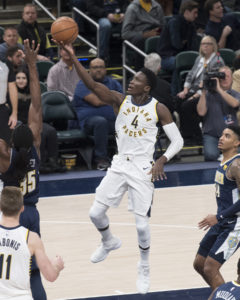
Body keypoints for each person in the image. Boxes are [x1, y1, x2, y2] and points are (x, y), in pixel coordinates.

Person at [54, 41, 183, 294]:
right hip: (120, 163)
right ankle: (109, 240)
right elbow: (92, 85)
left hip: (143, 168)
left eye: (135, 80)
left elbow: (177, 141)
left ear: (146, 87)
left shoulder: (159, 108)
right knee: (94, 214)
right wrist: (75, 58)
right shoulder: (119, 100)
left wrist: (161, 159)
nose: (130, 82)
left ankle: (144, 266)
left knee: (142, 226)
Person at [0, 39, 46, 300]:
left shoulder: (5, 157)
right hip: (32, 214)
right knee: (33, 271)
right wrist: (32, 66)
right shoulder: (36, 148)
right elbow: (37, 106)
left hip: (10, 217)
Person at [193, 125, 240, 292]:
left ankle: (224, 296)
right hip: (222, 220)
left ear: (237, 143)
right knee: (199, 263)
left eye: (227, 136)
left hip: (235, 224)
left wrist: (218, 217)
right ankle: (220, 292)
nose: (221, 138)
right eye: (221, 134)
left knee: (210, 268)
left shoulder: (237, 165)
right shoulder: (224, 160)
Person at [0, 186, 64, 300]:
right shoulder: (31, 239)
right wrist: (57, 266)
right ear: (22, 208)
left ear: (0, 207)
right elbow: (50, 276)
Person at [71, 57, 123, 170]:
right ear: (89, 70)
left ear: (105, 69)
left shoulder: (113, 83)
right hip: (89, 123)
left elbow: (123, 100)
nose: (98, 70)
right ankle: (101, 159)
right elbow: (97, 101)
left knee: (129, 120)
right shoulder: (82, 84)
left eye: (101, 67)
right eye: (95, 67)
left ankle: (129, 157)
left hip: (112, 121)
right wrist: (113, 99)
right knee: (100, 122)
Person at [14, 67, 66, 173]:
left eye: (23, 78)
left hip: (33, 121)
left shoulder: (33, 94)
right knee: (36, 132)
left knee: (50, 131)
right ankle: (39, 162)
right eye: (18, 78)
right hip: (17, 125)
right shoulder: (10, 94)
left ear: (27, 80)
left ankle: (53, 161)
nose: (21, 80)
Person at [177, 35, 225, 145]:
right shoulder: (199, 58)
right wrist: (185, 90)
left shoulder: (217, 61)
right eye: (203, 44)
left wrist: (195, 95)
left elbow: (211, 83)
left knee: (187, 106)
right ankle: (184, 134)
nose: (205, 46)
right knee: (177, 100)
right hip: (194, 90)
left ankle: (194, 136)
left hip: (208, 93)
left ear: (214, 46)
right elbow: (190, 74)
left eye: (208, 44)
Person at [197, 66, 240, 161]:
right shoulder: (208, 94)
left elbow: (235, 104)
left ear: (232, 79)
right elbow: (201, 112)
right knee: (210, 155)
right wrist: (203, 92)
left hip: (232, 135)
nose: (225, 78)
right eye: (222, 76)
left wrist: (219, 90)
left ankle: (224, 157)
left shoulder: (235, 94)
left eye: (227, 76)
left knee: (238, 155)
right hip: (212, 135)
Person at [157, 0, 200, 96]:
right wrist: (183, 44)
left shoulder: (192, 25)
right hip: (166, 58)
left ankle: (193, 93)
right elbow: (176, 44)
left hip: (182, 57)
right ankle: (175, 96)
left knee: (199, 62)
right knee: (179, 62)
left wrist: (184, 43)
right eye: (195, 13)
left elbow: (194, 47)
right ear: (187, 12)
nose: (196, 16)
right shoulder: (174, 22)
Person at [121, 0, 164, 69]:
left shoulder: (157, 6)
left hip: (156, 34)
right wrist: (144, 35)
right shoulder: (132, 8)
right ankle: (140, 70)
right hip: (138, 39)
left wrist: (159, 30)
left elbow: (162, 25)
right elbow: (125, 34)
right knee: (141, 40)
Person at [0, 51, 18, 144]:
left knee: (5, 147)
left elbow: (12, 87)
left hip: (1, 109)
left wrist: (14, 113)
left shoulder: (5, 63)